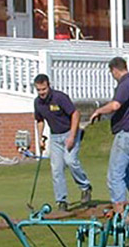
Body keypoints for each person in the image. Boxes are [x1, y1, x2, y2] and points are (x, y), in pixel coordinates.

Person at [89, 57, 129, 215]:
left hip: (126, 134)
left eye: (112, 72)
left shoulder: (125, 85)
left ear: (115, 69)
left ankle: (121, 212)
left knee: (115, 174)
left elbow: (115, 105)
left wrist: (99, 111)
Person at [33, 74, 92, 209]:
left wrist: (72, 136)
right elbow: (40, 120)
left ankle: (85, 187)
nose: (42, 93)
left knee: (71, 160)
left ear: (49, 86)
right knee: (56, 168)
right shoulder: (38, 102)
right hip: (55, 137)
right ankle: (61, 200)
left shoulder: (59, 97)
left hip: (70, 132)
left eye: (44, 89)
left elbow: (75, 114)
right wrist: (40, 138)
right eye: (39, 90)